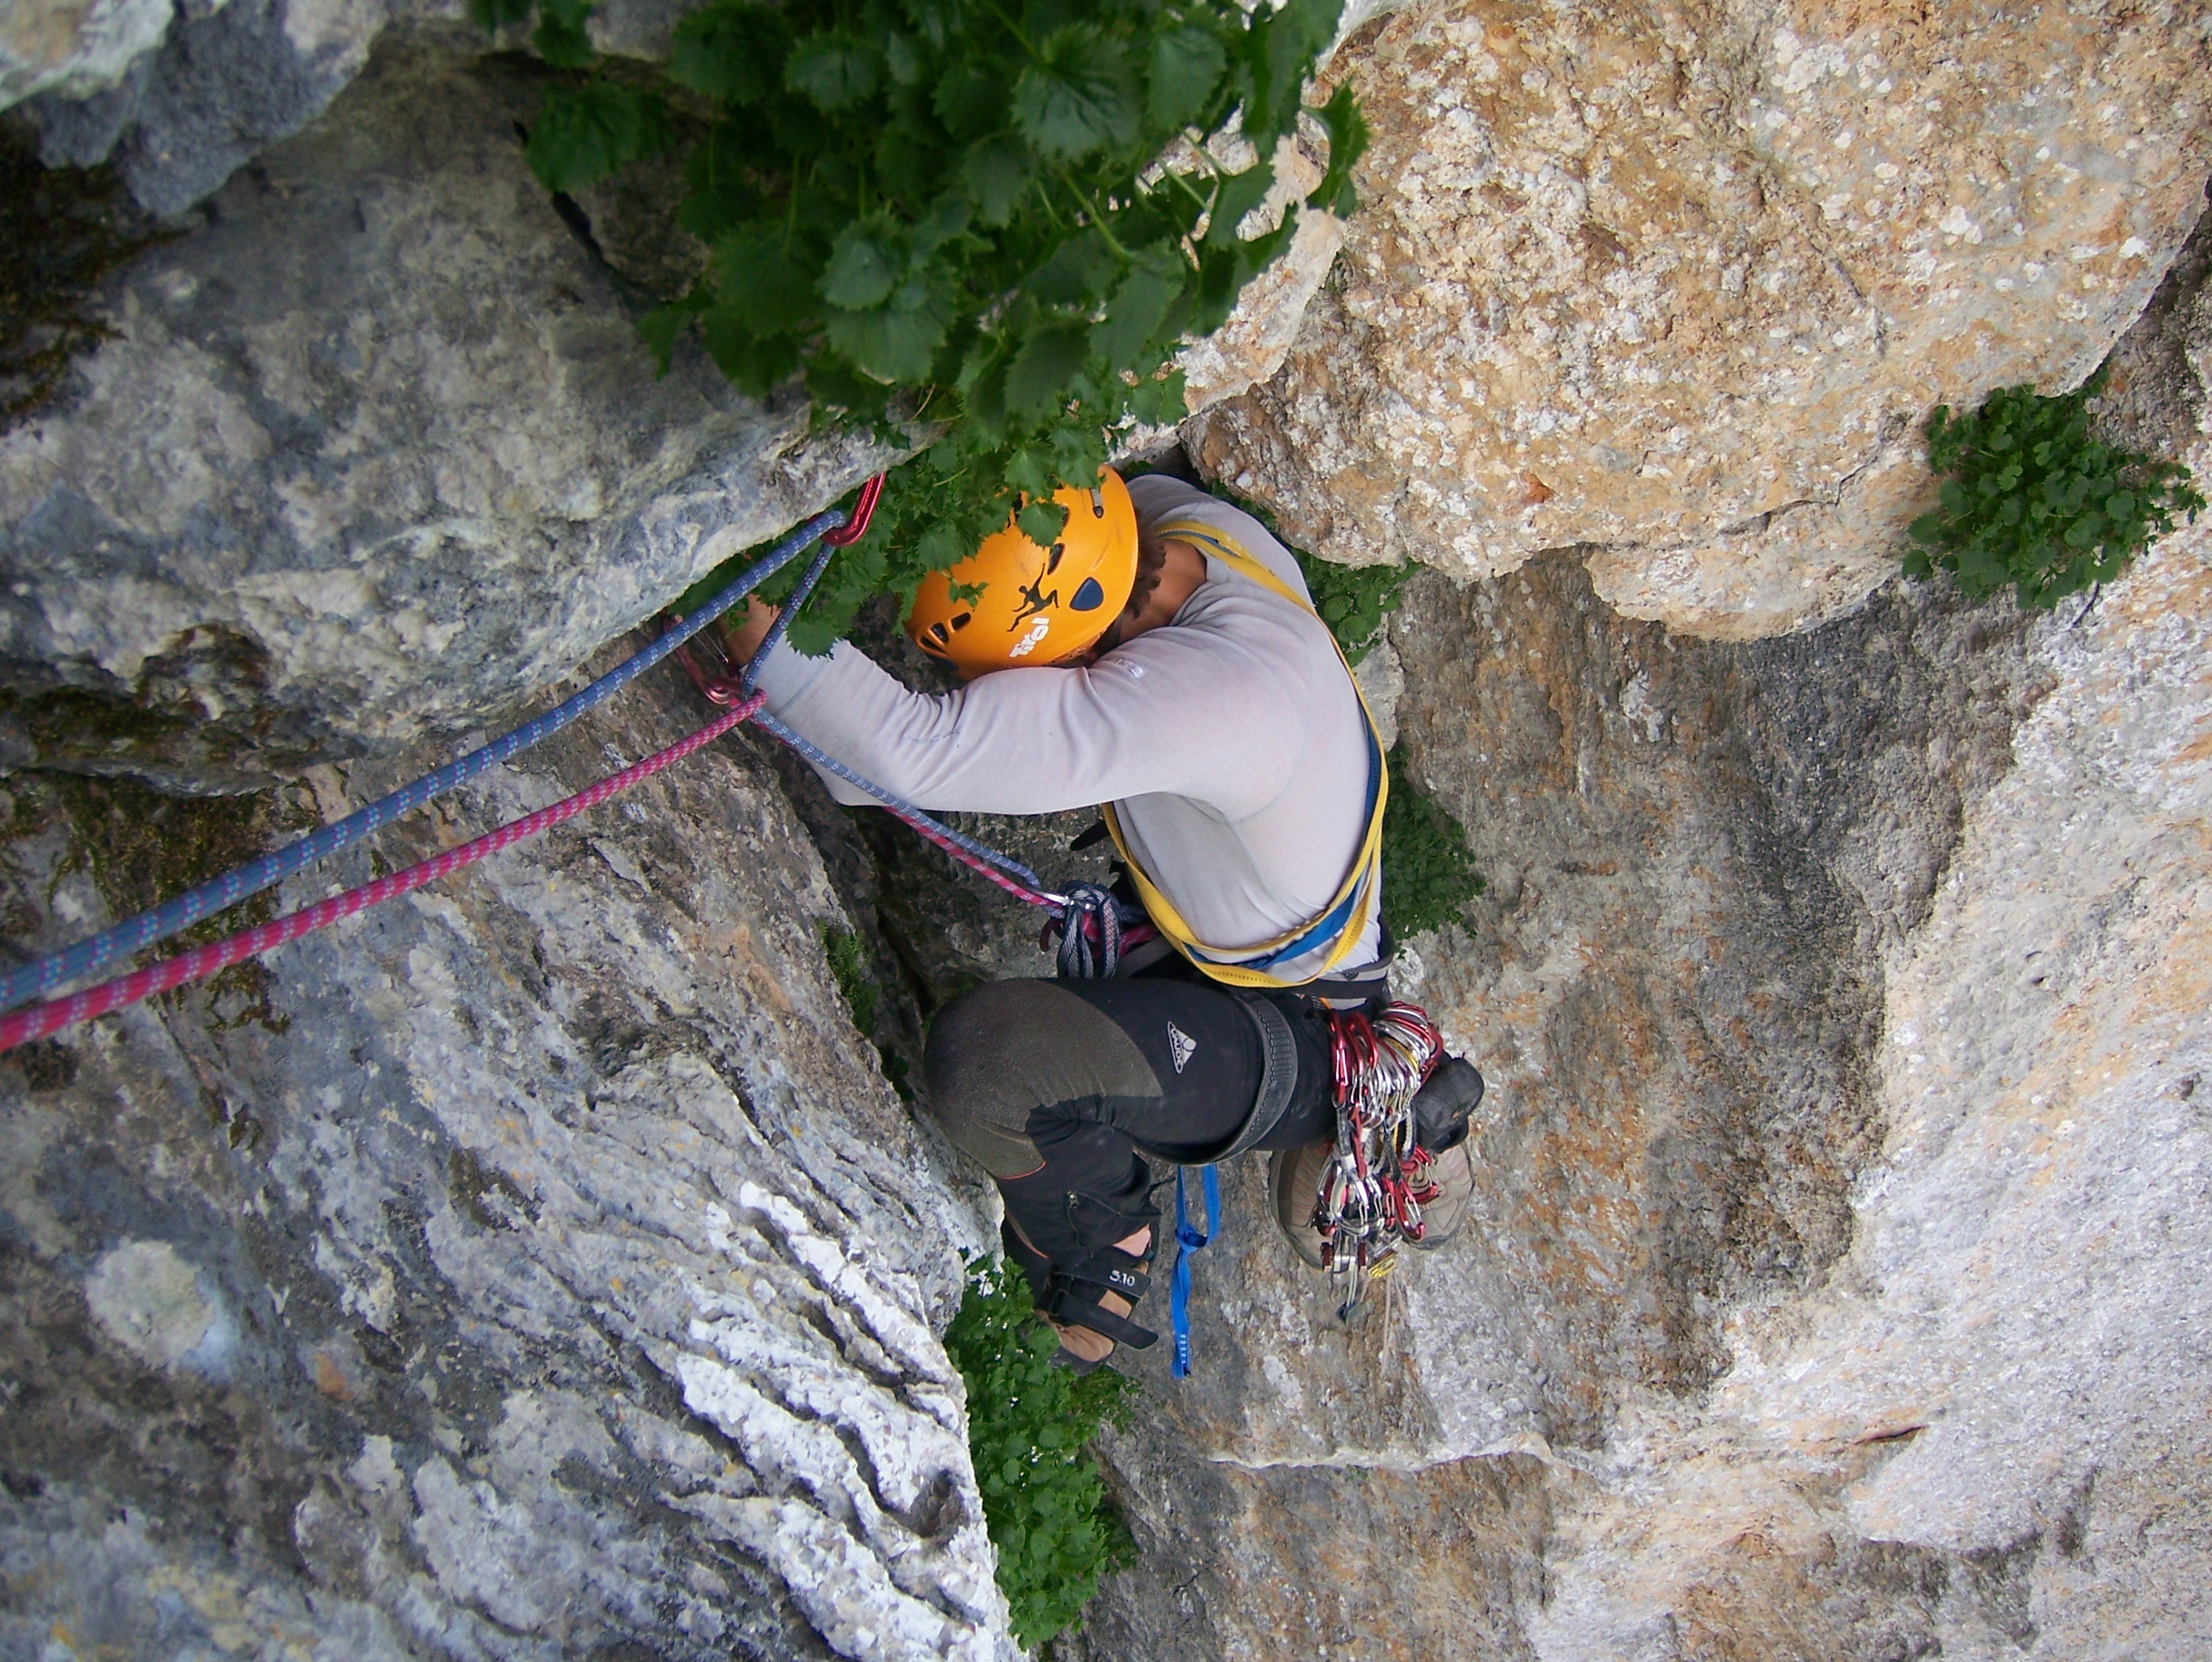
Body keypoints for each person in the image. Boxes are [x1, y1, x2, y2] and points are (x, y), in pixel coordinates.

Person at [720, 465, 1482, 1368]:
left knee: (993, 1069)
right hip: (1276, 953)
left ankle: (1106, 1238)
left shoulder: (1195, 697)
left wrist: (728, 596)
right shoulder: (1178, 526)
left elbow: (903, 757)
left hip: (1309, 1039)